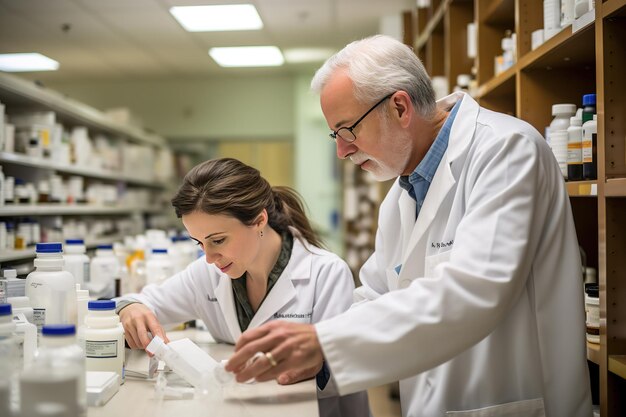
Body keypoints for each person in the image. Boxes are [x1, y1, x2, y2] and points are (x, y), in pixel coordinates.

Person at [226, 35, 593, 417]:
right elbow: (378, 295)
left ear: (400, 107)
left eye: (348, 130)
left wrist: (325, 341)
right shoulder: (402, 194)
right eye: (336, 135)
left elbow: (474, 290)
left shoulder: (506, 151)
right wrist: (318, 358)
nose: (343, 150)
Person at [116, 157, 369, 417]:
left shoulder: (324, 273)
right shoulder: (207, 273)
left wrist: (318, 362)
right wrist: (131, 308)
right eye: (199, 243)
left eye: (218, 240)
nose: (209, 257)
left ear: (259, 220)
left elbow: (345, 368)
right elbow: (140, 301)